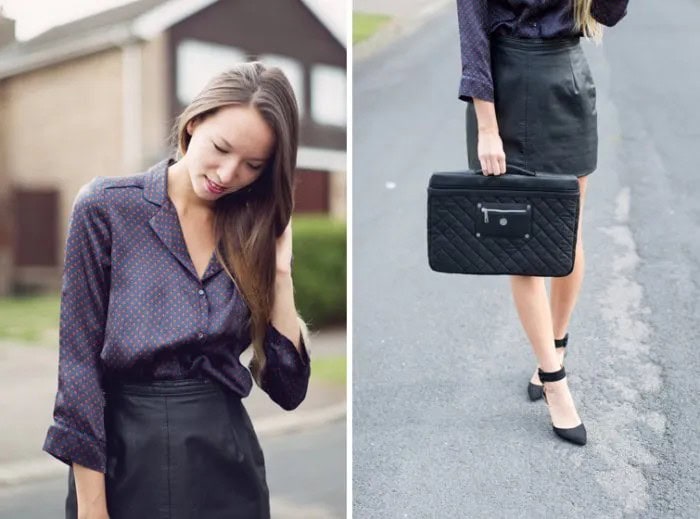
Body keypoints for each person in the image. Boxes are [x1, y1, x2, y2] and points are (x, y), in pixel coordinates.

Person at [42, 62, 311, 519]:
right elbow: (78, 369)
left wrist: (280, 274)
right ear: (193, 122)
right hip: (125, 461)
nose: (228, 174)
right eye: (221, 149)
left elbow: (288, 389)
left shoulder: (252, 229)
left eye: (252, 165)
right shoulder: (107, 208)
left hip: (228, 466)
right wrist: (92, 507)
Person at [456, 0, 630, 445]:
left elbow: (608, 15)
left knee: (566, 237)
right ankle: (556, 381)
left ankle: (554, 343)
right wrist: (488, 129)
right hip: (505, 93)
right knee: (523, 249)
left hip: (565, 85)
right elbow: (473, 39)